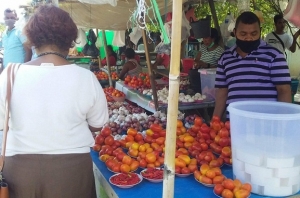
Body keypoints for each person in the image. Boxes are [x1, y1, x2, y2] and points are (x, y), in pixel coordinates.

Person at [0, 5, 108, 198]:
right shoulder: (86, 78)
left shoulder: (9, 74)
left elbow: (2, 124)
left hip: (19, 170)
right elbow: (97, 124)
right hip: (72, 172)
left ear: (32, 39)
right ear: (70, 40)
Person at [213, 11, 291, 119]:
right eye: (243, 34)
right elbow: (222, 92)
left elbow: (284, 91)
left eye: (254, 34)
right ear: (235, 33)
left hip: (265, 124)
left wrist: (283, 123)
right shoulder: (225, 58)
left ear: (260, 32)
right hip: (234, 125)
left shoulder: (274, 56)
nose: (249, 38)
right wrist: (214, 122)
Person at [189, 28, 224, 93]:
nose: (204, 40)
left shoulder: (219, 51)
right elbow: (196, 60)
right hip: (201, 74)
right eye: (203, 38)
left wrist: (206, 65)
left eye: (207, 38)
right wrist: (197, 64)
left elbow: (220, 68)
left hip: (210, 78)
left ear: (213, 38)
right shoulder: (203, 48)